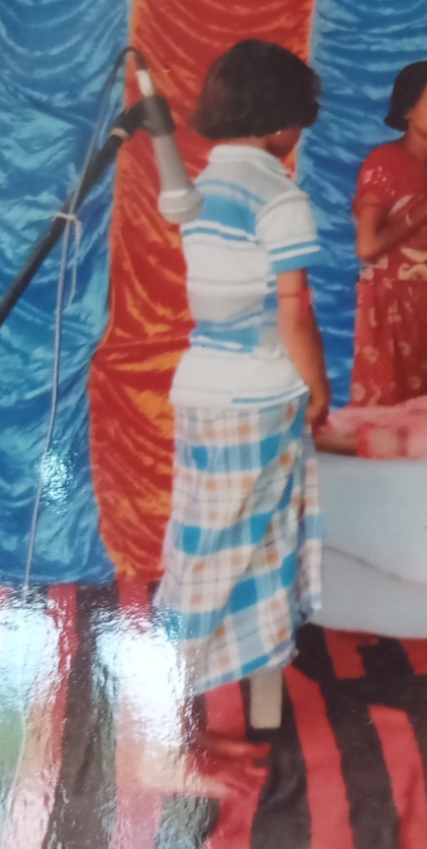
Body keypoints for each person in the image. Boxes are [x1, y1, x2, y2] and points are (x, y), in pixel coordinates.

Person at [153, 39, 330, 795]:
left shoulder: (202, 186)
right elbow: (294, 311)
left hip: (207, 393)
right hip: (255, 400)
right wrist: (319, 388)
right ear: (284, 122)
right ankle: (162, 747)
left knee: (217, 559)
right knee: (214, 570)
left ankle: (185, 734)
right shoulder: (280, 198)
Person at [349, 60, 427, 406]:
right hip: (393, 302)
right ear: (408, 108)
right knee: (392, 407)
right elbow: (367, 247)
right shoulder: (384, 161)